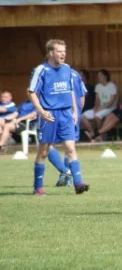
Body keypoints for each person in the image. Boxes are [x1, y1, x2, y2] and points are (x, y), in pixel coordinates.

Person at [28, 39, 89, 195]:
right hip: (49, 114)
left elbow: (71, 91)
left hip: (66, 113)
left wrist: (75, 110)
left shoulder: (67, 69)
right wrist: (41, 111)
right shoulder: (41, 70)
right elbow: (31, 92)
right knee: (44, 151)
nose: (63, 54)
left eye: (64, 51)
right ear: (50, 53)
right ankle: (38, 188)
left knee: (70, 148)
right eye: (59, 51)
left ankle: (78, 183)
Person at [54, 68, 87, 187]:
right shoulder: (76, 74)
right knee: (70, 148)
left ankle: (66, 173)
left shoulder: (52, 72)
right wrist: (77, 112)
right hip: (74, 114)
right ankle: (67, 177)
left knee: (47, 145)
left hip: (60, 114)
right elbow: (82, 95)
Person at [81, 69, 118, 140]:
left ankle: (100, 134)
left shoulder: (112, 86)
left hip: (110, 108)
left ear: (105, 76)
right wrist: (95, 107)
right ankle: (93, 134)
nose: (99, 77)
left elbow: (111, 102)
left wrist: (101, 108)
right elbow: (97, 99)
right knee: (83, 116)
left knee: (97, 116)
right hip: (100, 107)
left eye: (100, 75)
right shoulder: (98, 86)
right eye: (98, 76)